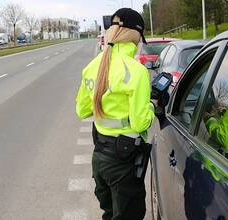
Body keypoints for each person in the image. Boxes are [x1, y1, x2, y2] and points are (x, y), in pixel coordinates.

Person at [75, 8, 157, 220]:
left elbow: (82, 110)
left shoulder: (93, 66)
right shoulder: (136, 71)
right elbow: (140, 124)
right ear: (136, 36)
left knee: (110, 214)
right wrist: (151, 106)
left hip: (100, 158)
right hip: (123, 162)